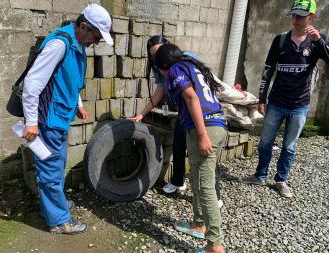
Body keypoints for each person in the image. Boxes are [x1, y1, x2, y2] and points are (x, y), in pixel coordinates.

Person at [22, 4, 113, 234]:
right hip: (48, 121)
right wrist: (31, 121)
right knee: (51, 170)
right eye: (96, 36)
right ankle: (59, 221)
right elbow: (32, 84)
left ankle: (54, 207)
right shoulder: (59, 44)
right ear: (83, 26)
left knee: (57, 165)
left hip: (60, 117)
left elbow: (69, 80)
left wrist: (79, 105)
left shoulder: (77, 43)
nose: (97, 42)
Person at [239, 0, 329, 198]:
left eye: (301, 16)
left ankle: (281, 180)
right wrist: (262, 98)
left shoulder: (317, 41)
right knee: (265, 141)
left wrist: (319, 43)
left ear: (311, 17)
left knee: (289, 145)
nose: (296, 20)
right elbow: (268, 70)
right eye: (294, 15)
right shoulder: (280, 40)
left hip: (300, 104)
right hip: (277, 101)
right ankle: (260, 175)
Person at [129, 35, 224, 208]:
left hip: (202, 111)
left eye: (158, 51)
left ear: (168, 47)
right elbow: (160, 90)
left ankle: (213, 196)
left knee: (207, 155)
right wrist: (142, 114)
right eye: (152, 54)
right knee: (179, 144)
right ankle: (179, 181)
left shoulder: (183, 60)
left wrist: (202, 132)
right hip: (185, 111)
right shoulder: (161, 67)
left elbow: (195, 92)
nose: (155, 56)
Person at [155, 43, 227, 253]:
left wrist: (203, 135)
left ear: (165, 64)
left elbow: (191, 97)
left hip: (204, 129)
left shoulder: (176, 69)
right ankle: (198, 223)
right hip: (216, 125)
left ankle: (215, 245)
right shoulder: (192, 66)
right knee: (196, 178)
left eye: (159, 67)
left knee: (206, 187)